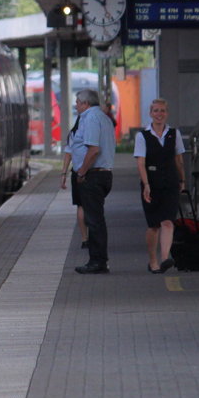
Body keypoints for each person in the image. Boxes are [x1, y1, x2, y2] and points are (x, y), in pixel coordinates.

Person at [135, 99, 187, 273]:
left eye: (162, 111)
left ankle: (165, 258)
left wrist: (182, 180)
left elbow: (179, 159)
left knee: (168, 222)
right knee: (153, 225)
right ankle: (153, 260)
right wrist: (146, 184)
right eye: (156, 111)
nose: (159, 114)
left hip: (170, 182)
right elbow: (141, 163)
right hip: (152, 184)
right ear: (150, 113)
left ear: (167, 113)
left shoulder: (174, 134)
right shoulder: (142, 136)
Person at [68, 89, 116, 274]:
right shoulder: (104, 117)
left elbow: (93, 149)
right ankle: (98, 260)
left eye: (77, 102)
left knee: (94, 220)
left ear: (85, 103)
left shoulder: (89, 119)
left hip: (93, 175)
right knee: (96, 218)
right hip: (103, 174)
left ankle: (98, 261)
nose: (76, 106)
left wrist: (81, 172)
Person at [60, 115, 88, 250]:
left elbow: (67, 154)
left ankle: (84, 238)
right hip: (92, 172)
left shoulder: (73, 133)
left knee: (81, 206)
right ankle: (94, 235)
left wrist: (63, 174)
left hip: (76, 173)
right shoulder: (92, 132)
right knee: (93, 206)